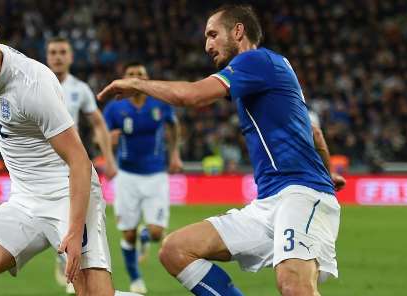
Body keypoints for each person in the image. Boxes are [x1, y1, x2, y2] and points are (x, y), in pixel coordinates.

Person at [98, 5, 344, 296]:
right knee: (176, 250)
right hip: (267, 204)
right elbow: (313, 132)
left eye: (213, 34)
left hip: (300, 194)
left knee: (293, 284)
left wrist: (138, 84)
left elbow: (190, 96)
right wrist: (329, 173)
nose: (207, 45)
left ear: (238, 31)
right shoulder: (269, 70)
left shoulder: (255, 60)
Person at [0, 15, 139, 296]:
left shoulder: (33, 86)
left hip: (68, 195)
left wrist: (74, 229)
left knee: (94, 294)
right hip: (25, 199)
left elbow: (79, 160)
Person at [46, 36, 118, 294]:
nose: (57, 56)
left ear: (71, 57)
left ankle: (71, 259)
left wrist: (108, 156)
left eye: (62, 51)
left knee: (79, 220)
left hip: (71, 164)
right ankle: (64, 253)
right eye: (53, 52)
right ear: (47, 55)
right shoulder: (38, 84)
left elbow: (97, 123)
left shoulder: (80, 89)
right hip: (43, 168)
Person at [102, 62, 183, 294]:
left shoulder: (159, 103)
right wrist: (108, 154)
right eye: (131, 74)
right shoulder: (115, 108)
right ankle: (136, 279)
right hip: (127, 176)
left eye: (140, 74)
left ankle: (145, 237)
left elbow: (174, 126)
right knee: (127, 233)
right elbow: (103, 134)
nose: (135, 77)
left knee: (157, 233)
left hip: (156, 175)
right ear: (124, 78)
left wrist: (175, 153)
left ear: (146, 79)